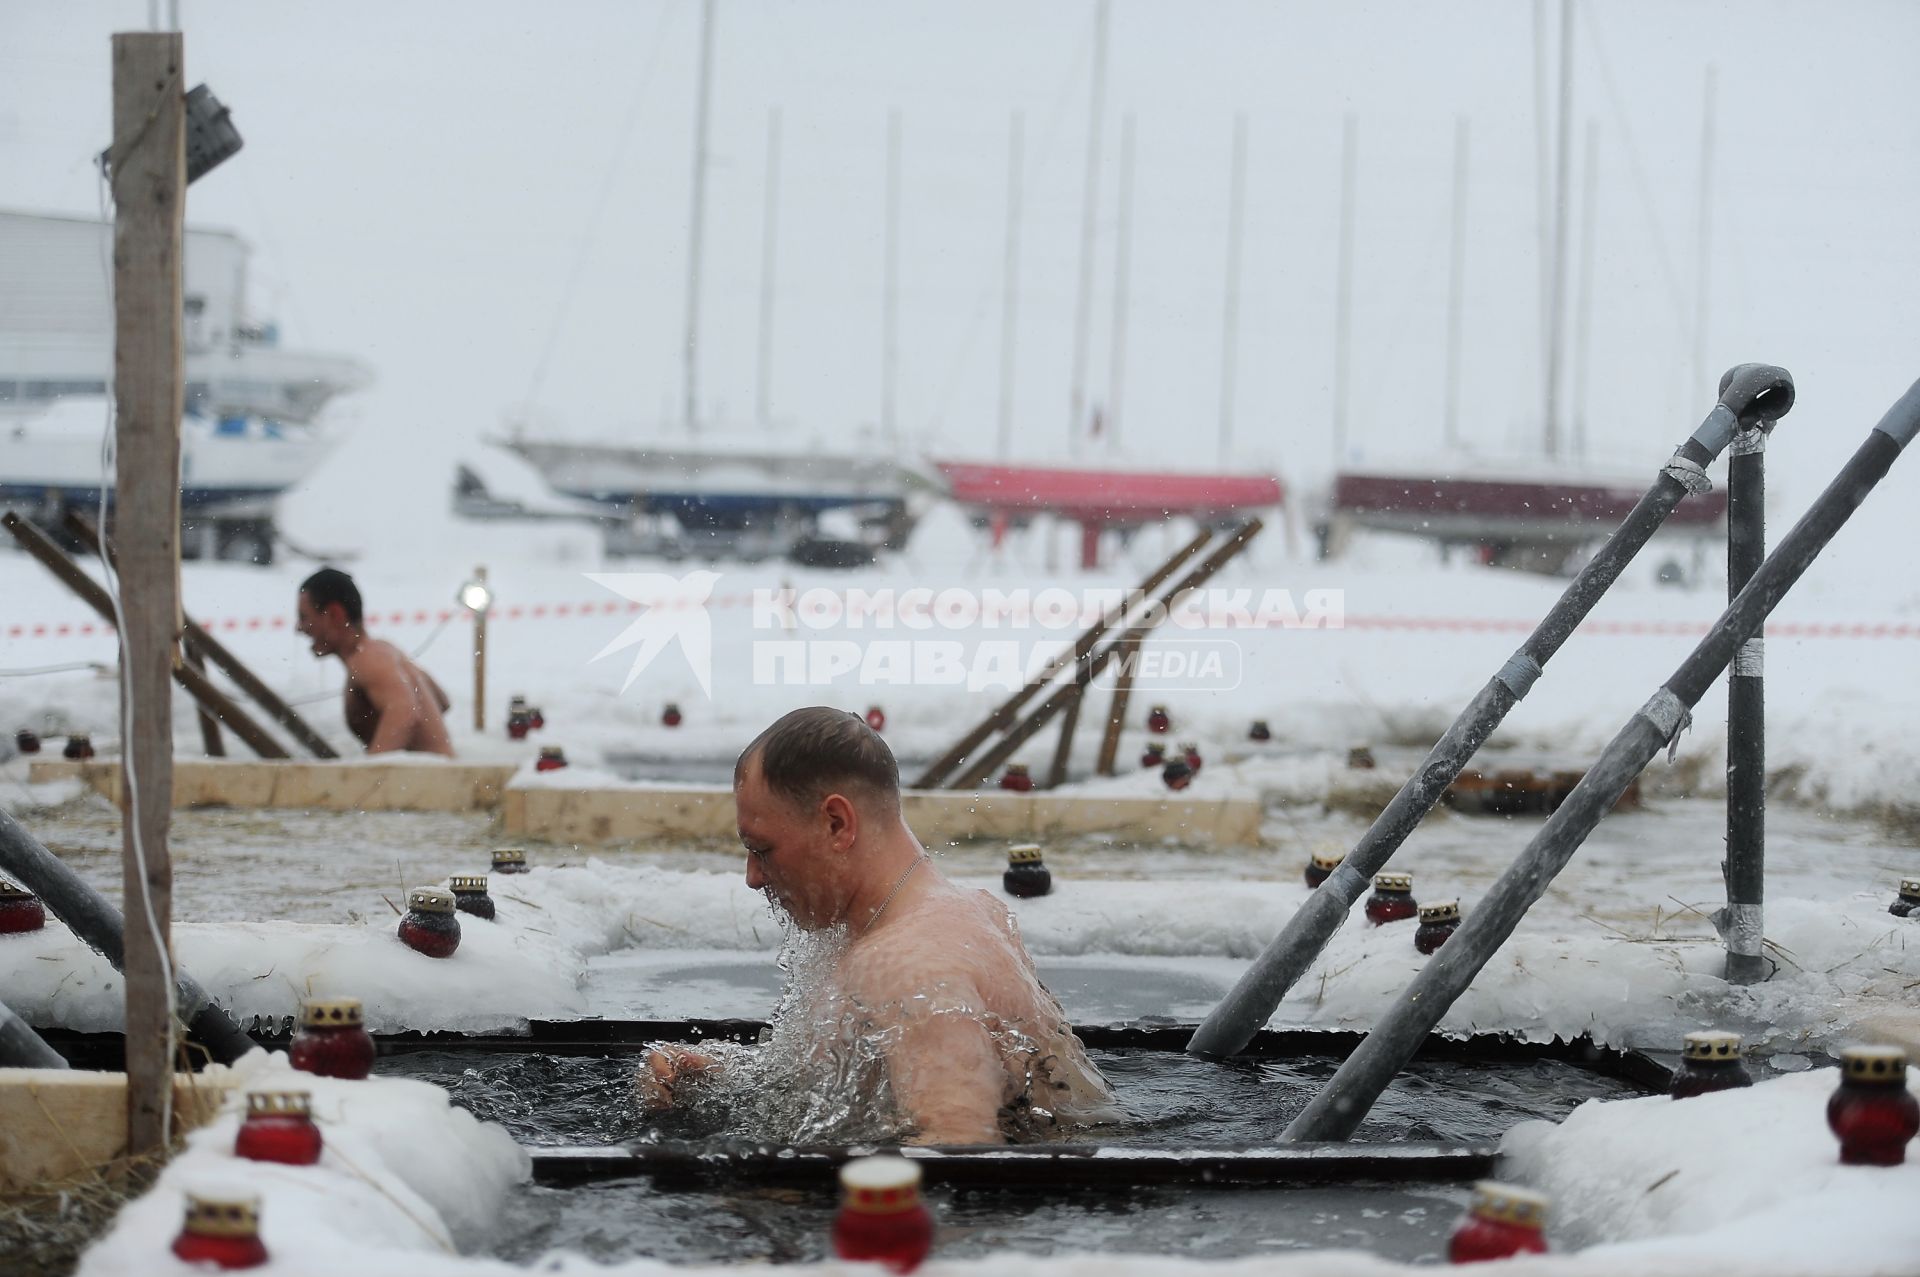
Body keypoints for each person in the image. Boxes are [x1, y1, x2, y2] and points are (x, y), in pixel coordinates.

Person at [639, 706, 1118, 1144]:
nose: (753, 877)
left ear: (836, 823)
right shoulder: (951, 915)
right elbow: (858, 1077)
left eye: (762, 849)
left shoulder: (907, 965)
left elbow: (960, 1153)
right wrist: (716, 1071)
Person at [295, 568, 455, 757]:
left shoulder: (367, 659)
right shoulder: (383, 650)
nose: (299, 628)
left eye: (304, 617)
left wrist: (368, 776)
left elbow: (405, 711)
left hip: (431, 784)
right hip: (441, 777)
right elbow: (442, 702)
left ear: (334, 614)